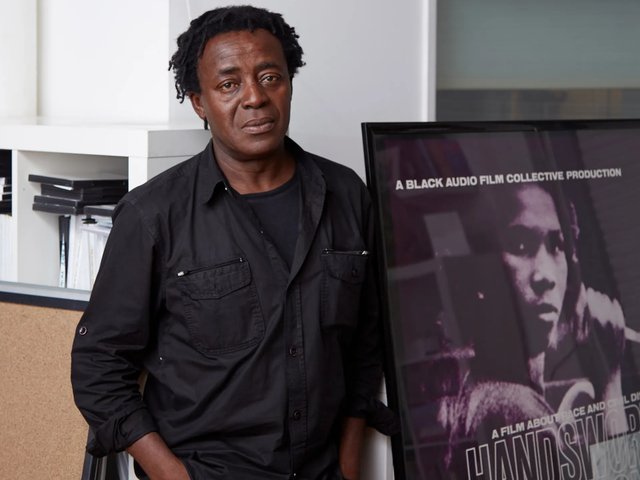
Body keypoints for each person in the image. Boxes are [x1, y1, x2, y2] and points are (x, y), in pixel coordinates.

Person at [71, 6, 392, 480]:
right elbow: (99, 364)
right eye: (228, 84)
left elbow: (367, 343)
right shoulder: (152, 215)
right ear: (199, 103)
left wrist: (347, 464)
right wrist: (171, 474)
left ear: (289, 84)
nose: (255, 98)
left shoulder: (347, 195)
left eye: (270, 77)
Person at [443, 182, 629, 474]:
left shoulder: (486, 391)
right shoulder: (513, 407)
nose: (546, 275)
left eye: (558, 246)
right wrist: (610, 377)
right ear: (482, 268)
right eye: (520, 246)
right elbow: (622, 474)